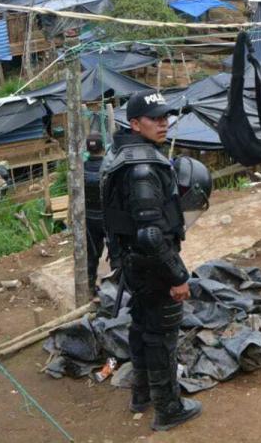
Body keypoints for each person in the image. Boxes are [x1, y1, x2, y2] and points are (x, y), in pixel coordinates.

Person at [99, 90, 202, 430]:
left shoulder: (124, 153)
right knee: (161, 334)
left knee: (142, 326)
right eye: (154, 118)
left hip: (133, 262)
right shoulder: (143, 167)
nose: (163, 123)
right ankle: (168, 409)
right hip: (151, 264)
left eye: (165, 117)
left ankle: (141, 395)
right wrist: (177, 276)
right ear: (134, 123)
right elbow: (150, 234)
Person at [83, 133, 107, 295]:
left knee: (92, 254)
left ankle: (90, 287)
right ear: (103, 148)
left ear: (87, 149)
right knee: (116, 252)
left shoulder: (81, 168)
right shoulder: (109, 167)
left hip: (89, 219)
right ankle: (115, 287)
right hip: (108, 218)